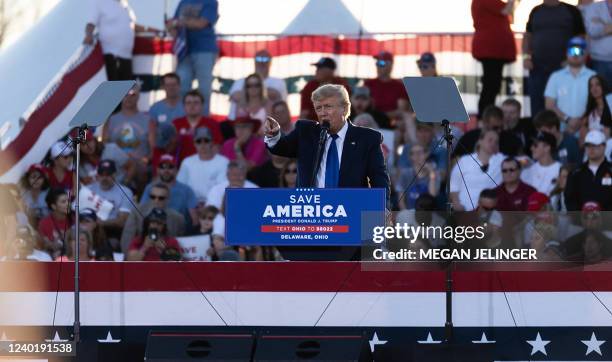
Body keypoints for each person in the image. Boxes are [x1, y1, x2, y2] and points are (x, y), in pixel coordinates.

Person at [264, 84, 390, 201]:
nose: (323, 113)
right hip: (312, 211)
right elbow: (281, 147)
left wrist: (383, 208)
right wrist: (274, 135)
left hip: (351, 209)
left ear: (345, 109)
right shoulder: (306, 132)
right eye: (319, 108)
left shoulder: (367, 139)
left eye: (328, 107)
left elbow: (379, 178)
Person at [523, 0, 585, 117]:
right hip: (537, 68)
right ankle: (539, 133)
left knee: (564, 105)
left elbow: (580, 38)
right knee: (537, 106)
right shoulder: (536, 11)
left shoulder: (571, 11)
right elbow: (528, 36)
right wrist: (526, 57)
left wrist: (572, 59)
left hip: (564, 69)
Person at [166, 0, 219, 115]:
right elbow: (174, 24)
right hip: (184, 51)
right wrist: (171, 27)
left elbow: (202, 23)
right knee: (182, 87)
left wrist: (178, 23)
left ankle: (204, 124)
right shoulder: (183, 2)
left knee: (204, 89)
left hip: (204, 50)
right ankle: (183, 121)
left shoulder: (210, 2)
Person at [84, 0, 154, 80]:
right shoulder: (100, 2)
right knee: (114, 89)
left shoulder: (125, 4)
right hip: (110, 57)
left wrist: (155, 32)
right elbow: (91, 23)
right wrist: (88, 35)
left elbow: (133, 26)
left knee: (125, 89)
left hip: (126, 57)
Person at [471, 0, 517, 117]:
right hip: (491, 50)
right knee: (490, 86)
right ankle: (485, 118)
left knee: (491, 85)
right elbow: (506, 10)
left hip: (493, 50)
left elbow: (508, 12)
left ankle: (486, 117)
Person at [544, 37, 596, 134]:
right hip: (560, 131)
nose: (575, 55)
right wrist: (568, 120)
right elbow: (549, 105)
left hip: (587, 131)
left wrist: (581, 122)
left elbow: (598, 104)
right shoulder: (556, 76)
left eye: (579, 51)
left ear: (586, 54)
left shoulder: (594, 76)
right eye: (572, 51)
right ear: (566, 53)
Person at [102, 86, 150, 192]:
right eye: (125, 94)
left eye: (133, 94)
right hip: (117, 169)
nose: (129, 98)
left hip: (141, 172)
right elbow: (104, 147)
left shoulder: (148, 120)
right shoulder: (111, 120)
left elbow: (153, 149)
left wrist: (144, 161)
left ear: (138, 97)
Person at [120, 183, 185, 253]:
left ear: (168, 199)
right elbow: (127, 238)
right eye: (153, 197)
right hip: (141, 254)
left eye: (161, 198)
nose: (156, 200)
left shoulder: (178, 218)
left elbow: (181, 243)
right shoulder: (137, 212)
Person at [450, 129, 504, 211]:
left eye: (496, 142)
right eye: (490, 140)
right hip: (464, 210)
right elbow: (454, 185)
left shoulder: (501, 160)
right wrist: (456, 203)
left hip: (490, 211)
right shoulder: (465, 160)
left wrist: (524, 161)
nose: (493, 143)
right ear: (480, 141)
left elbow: (522, 161)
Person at [141, 154, 198, 229]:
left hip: (178, 229)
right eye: (162, 167)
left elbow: (194, 219)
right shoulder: (150, 188)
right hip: (153, 227)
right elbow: (142, 210)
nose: (166, 171)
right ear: (157, 170)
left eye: (170, 167)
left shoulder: (187, 190)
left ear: (176, 170)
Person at [176, 127, 229, 206]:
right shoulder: (187, 162)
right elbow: (180, 187)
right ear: (194, 143)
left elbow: (223, 188)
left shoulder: (223, 162)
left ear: (212, 142)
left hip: (215, 204)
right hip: (191, 205)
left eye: (206, 141)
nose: (203, 144)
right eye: (199, 141)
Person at [565, 129, 612, 210]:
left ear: (604, 146)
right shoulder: (576, 172)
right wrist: (580, 219)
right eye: (588, 145)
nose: (591, 149)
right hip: (581, 221)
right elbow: (569, 199)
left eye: (595, 145)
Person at [88, 160, 133, 243]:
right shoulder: (88, 189)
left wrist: (100, 223)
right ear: (97, 175)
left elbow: (122, 221)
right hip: (90, 230)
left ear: (115, 175)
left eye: (108, 175)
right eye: (102, 174)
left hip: (113, 231)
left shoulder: (125, 192)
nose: (105, 178)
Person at [172, 90, 223, 162]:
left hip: (204, 165)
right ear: (184, 106)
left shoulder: (212, 124)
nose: (192, 106)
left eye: (196, 103)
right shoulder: (176, 123)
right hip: (181, 166)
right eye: (188, 103)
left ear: (202, 105)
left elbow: (217, 148)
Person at [148, 73, 185, 152]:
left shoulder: (187, 105)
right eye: (168, 85)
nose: (171, 87)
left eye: (174, 84)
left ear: (179, 86)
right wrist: (154, 152)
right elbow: (151, 132)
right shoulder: (155, 108)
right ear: (163, 87)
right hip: (162, 150)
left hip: (184, 149)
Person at [363, 51, 409, 115]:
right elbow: (361, 107)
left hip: (390, 122)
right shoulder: (368, 84)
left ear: (390, 65)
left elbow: (401, 111)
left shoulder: (399, 86)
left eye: (381, 63)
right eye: (377, 63)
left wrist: (382, 116)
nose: (378, 66)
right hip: (369, 120)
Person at [396, 143, 440, 210]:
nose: (417, 155)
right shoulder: (405, 173)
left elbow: (432, 196)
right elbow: (401, 200)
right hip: (410, 211)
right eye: (414, 153)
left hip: (428, 212)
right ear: (410, 157)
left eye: (420, 152)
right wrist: (405, 214)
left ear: (426, 154)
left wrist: (431, 173)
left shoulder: (434, 173)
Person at [521, 131, 562, 196]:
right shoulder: (527, 170)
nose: (531, 148)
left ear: (547, 148)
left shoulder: (561, 170)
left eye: (535, 145)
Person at [583, 0, 612, 85]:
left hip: (600, 61)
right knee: (601, 94)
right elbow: (593, 31)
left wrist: (603, 24)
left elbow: (597, 29)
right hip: (600, 61)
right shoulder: (593, 7)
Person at [38, 188, 72, 259]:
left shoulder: (74, 220)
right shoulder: (44, 223)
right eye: (63, 202)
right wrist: (52, 245)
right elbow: (44, 244)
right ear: (53, 206)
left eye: (68, 201)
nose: (68, 204)